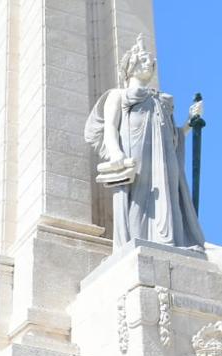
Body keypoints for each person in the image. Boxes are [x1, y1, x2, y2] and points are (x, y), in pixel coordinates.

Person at [84, 34, 205, 249]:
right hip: (135, 156)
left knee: (166, 195)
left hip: (163, 158)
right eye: (144, 60)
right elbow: (110, 127)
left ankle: (167, 241)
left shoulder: (160, 100)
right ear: (131, 66)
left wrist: (188, 122)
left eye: (151, 61)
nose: (149, 64)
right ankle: (136, 241)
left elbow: (172, 137)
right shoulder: (118, 95)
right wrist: (115, 153)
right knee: (138, 199)